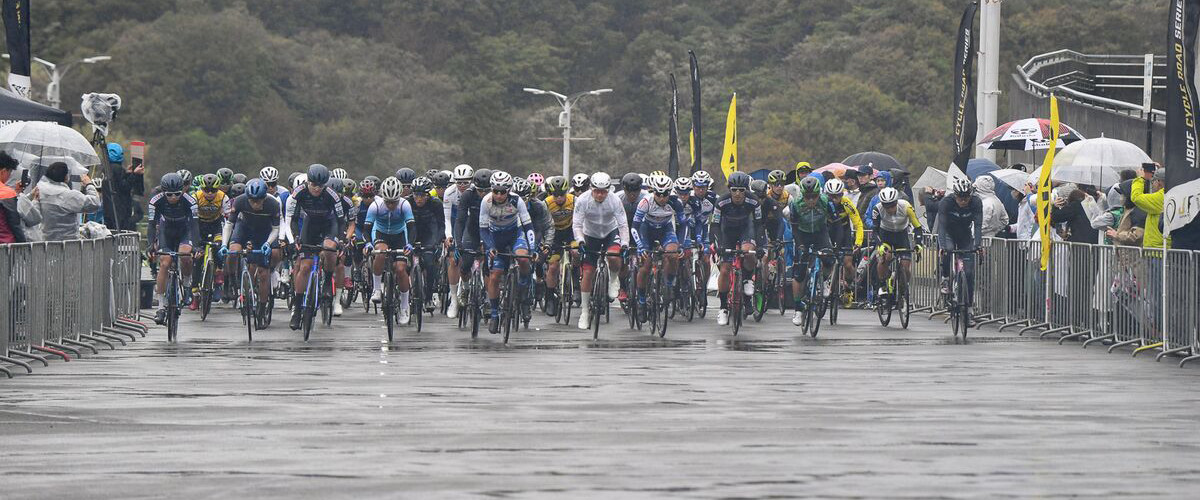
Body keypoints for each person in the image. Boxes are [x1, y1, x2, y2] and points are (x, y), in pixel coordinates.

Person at [283, 164, 347, 330]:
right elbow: (293, 219)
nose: (317, 189)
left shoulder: (332, 195)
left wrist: (340, 240)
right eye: (313, 185)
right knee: (305, 267)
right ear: (308, 182)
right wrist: (295, 237)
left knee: (329, 248)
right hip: (309, 225)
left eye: (320, 185)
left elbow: (341, 221)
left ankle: (327, 281)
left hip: (329, 224)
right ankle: (297, 309)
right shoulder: (299, 192)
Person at [479, 171, 536, 334]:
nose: (498, 195)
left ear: (509, 190)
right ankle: (495, 313)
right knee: (495, 275)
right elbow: (483, 230)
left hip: (514, 234)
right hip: (495, 237)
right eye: (495, 191)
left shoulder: (517, 200)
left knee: (523, 258)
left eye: (502, 191)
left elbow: (528, 226)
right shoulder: (486, 202)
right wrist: (490, 247)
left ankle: (524, 286)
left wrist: (532, 249)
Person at [572, 172, 629, 330]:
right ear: (591, 188)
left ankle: (613, 279)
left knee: (613, 255)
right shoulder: (583, 200)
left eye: (603, 191)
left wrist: (624, 243)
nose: (599, 194)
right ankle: (584, 311)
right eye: (596, 190)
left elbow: (623, 224)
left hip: (610, 232)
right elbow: (577, 224)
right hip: (590, 235)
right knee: (588, 273)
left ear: (608, 190)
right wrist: (580, 241)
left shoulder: (615, 200)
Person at [221, 179, 280, 320]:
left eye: (258, 200)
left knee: (263, 273)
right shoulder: (240, 201)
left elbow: (276, 229)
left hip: (265, 233)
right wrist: (224, 244)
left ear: (264, 197)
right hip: (244, 228)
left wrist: (268, 243)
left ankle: (262, 305)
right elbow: (229, 225)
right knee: (233, 251)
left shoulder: (273, 204)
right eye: (252, 200)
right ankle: (232, 282)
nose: (255, 203)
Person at [147, 172, 200, 325]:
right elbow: (151, 225)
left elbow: (195, 225)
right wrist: (151, 244)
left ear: (182, 190)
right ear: (163, 191)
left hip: (185, 230)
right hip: (166, 231)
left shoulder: (190, 201)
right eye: (169, 194)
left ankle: (188, 284)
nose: (173, 198)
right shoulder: (155, 201)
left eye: (177, 194)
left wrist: (195, 246)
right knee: (164, 263)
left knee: (185, 256)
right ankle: (161, 306)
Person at [632, 174, 687, 316]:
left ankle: (669, 285)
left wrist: (680, 244)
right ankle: (642, 301)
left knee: (673, 255)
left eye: (665, 194)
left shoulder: (676, 202)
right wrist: (640, 246)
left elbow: (683, 225)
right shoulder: (645, 202)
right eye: (658, 194)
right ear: (653, 192)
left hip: (665, 230)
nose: (662, 197)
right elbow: (635, 227)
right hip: (647, 231)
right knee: (646, 265)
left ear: (670, 193)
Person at [713, 171, 761, 326]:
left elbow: (759, 225)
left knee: (749, 252)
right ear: (729, 189)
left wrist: (760, 245)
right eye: (734, 190)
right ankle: (723, 308)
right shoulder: (721, 202)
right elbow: (714, 225)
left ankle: (747, 279)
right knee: (725, 269)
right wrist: (719, 245)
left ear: (746, 190)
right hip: (727, 232)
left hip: (746, 229)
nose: (738, 194)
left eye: (742, 190)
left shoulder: (754, 201)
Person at [366, 177, 416, 324]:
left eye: (394, 202)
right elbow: (367, 229)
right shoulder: (375, 206)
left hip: (400, 236)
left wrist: (410, 244)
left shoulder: (405, 205)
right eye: (387, 202)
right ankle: (376, 289)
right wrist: (368, 243)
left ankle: (404, 306)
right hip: (381, 234)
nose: (390, 205)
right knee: (380, 253)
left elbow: (412, 227)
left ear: (399, 197)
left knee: (401, 270)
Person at [788, 176, 834, 325]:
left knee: (828, 258)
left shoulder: (826, 202)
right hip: (803, 234)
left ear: (819, 194)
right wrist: (800, 245)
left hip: (821, 233)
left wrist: (835, 244)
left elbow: (836, 224)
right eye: (808, 197)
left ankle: (825, 281)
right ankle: (798, 309)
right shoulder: (795, 204)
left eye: (814, 197)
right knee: (799, 273)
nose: (811, 201)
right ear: (802, 195)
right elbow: (793, 227)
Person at [868, 187, 924, 302]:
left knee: (905, 266)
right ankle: (883, 284)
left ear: (896, 202)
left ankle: (902, 289)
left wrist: (919, 244)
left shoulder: (906, 207)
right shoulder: (877, 209)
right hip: (885, 235)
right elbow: (874, 231)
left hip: (901, 235)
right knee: (884, 258)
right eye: (886, 206)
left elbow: (917, 227)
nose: (890, 209)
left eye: (892, 206)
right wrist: (881, 245)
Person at [935, 179, 983, 308]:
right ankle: (945, 278)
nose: (963, 201)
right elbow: (942, 226)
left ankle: (969, 307)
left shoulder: (976, 202)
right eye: (960, 198)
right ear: (955, 195)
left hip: (965, 235)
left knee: (968, 274)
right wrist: (943, 246)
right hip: (948, 233)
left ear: (970, 196)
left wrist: (978, 245)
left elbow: (978, 226)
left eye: (966, 198)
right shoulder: (946, 202)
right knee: (948, 250)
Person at [407, 176, 446, 314]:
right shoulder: (407, 203)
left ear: (428, 194)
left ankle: (428, 297)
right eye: (416, 195)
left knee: (430, 264)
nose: (419, 199)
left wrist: (436, 242)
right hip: (411, 235)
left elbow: (441, 226)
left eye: (422, 195)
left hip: (429, 236)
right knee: (404, 265)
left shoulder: (435, 204)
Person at [191, 173, 229, 310]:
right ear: (202, 188)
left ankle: (219, 270)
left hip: (216, 225)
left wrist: (225, 238)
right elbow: (192, 221)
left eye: (213, 190)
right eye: (206, 190)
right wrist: (195, 242)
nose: (209, 193)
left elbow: (228, 219)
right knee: (198, 259)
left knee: (219, 247)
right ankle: (195, 294)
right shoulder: (196, 197)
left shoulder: (223, 197)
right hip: (199, 225)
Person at [37, 162, 102, 241]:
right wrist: (89, 184)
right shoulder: (70, 196)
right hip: (69, 245)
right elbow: (94, 203)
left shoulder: (40, 191)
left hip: (45, 243)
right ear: (66, 177)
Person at [542, 176, 576, 315]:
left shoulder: (574, 200)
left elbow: (580, 218)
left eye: (562, 194)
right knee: (553, 265)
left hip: (570, 232)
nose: (559, 198)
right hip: (554, 234)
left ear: (566, 192)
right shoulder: (546, 203)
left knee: (576, 252)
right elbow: (544, 224)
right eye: (555, 195)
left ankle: (577, 286)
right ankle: (550, 297)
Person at [443, 164, 474, 318]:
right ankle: (454, 299)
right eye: (459, 182)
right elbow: (447, 219)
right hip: (457, 223)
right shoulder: (449, 193)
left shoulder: (475, 192)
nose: (462, 186)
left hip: (472, 224)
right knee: (453, 260)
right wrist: (449, 236)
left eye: (465, 182)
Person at [102, 142, 146, 231]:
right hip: (119, 213)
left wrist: (127, 173)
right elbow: (124, 187)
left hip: (108, 212)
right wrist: (134, 174)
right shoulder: (117, 169)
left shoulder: (106, 169)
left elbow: (116, 184)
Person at [1130, 165, 1167, 248]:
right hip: (1163, 248)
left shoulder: (1162, 197)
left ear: (1159, 182)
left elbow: (1136, 197)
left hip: (1158, 250)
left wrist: (1140, 178)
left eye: (1152, 182)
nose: (1152, 185)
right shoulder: (1172, 194)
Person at [0, 152, 31, 243]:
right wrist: (23, 244)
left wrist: (16, 192)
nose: (8, 177)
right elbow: (15, 225)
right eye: (9, 173)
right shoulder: (6, 193)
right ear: (3, 171)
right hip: (5, 247)